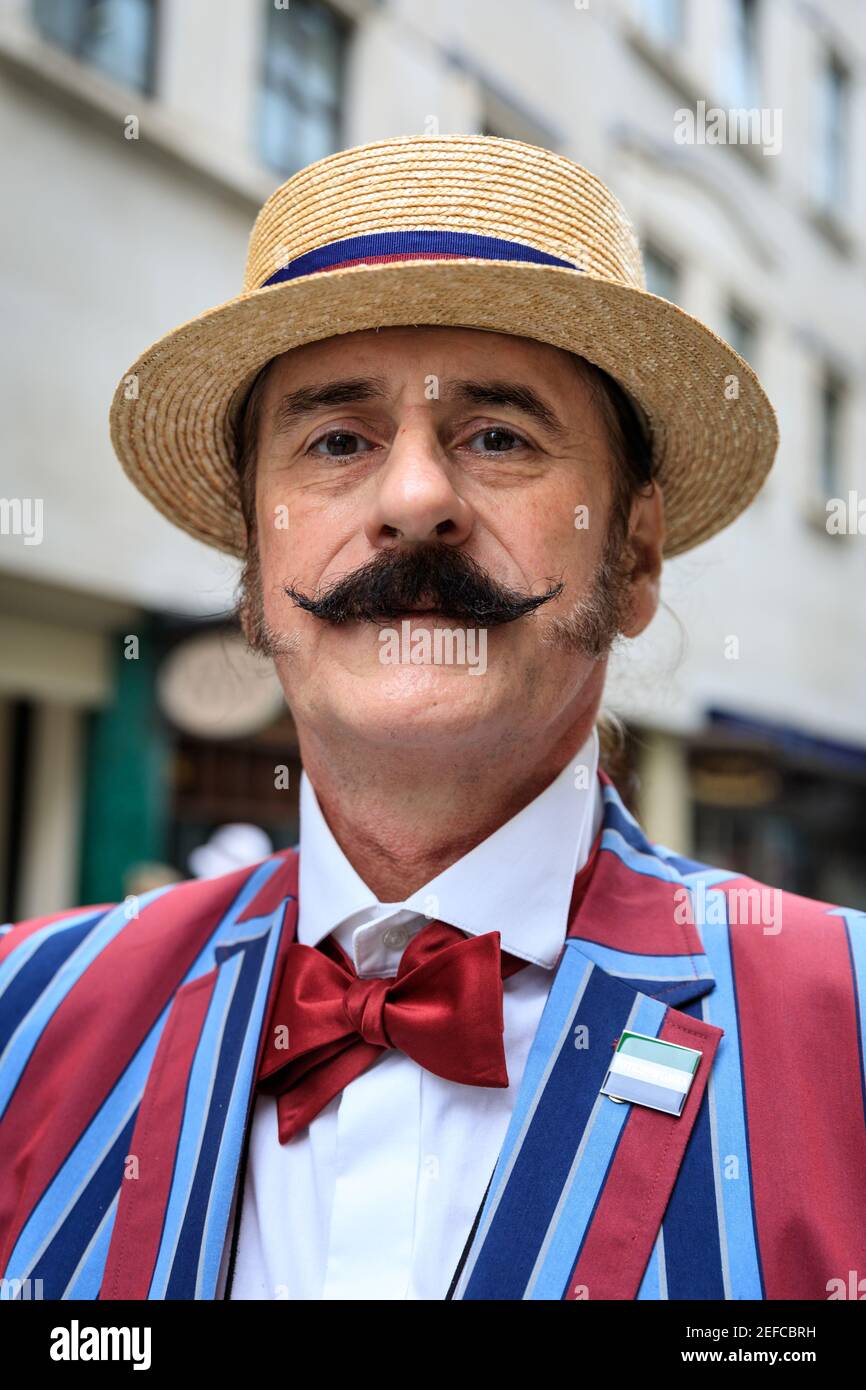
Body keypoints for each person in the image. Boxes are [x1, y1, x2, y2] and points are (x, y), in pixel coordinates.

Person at [2, 135, 864, 1302]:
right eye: (338, 440)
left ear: (635, 550)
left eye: (498, 436)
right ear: (257, 557)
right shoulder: (23, 1020)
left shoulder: (844, 1035)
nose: (413, 501)